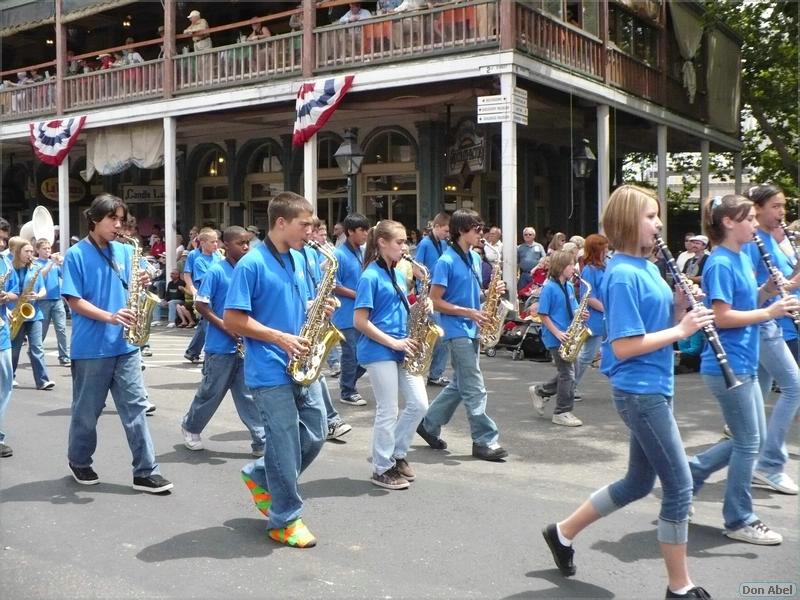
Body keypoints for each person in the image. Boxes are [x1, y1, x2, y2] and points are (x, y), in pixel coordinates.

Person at [541, 185, 714, 599]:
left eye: (657, 216)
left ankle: (561, 533)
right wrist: (682, 329)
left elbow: (658, 326)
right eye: (650, 216)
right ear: (625, 222)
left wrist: (679, 306)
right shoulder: (620, 274)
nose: (658, 224)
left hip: (657, 384)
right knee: (678, 486)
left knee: (638, 482)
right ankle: (679, 586)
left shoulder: (649, 267)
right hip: (640, 391)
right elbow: (623, 346)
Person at [688, 194, 798, 545]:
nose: (755, 224)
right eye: (748, 218)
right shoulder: (720, 262)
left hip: (744, 361)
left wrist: (768, 290)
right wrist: (771, 312)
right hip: (727, 364)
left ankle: (692, 472)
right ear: (728, 223)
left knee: (751, 439)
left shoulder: (738, 258)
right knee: (750, 441)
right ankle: (739, 518)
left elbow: (746, 301)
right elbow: (722, 316)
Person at [224, 191, 329, 549]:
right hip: (269, 369)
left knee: (316, 433)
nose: (311, 231)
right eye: (305, 224)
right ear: (281, 223)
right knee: (284, 446)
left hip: (302, 362)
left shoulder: (301, 258)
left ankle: (259, 473)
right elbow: (233, 319)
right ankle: (285, 519)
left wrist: (318, 307)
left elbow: (294, 303)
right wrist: (279, 337)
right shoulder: (251, 264)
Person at [61, 194, 172, 493]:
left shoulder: (125, 250)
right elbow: (74, 300)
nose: (118, 225)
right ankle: (79, 460)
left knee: (135, 408)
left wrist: (144, 280)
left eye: (121, 219)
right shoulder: (75, 254)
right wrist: (110, 316)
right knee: (87, 411)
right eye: (112, 219)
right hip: (91, 347)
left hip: (126, 346)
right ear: (94, 219)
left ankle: (145, 471)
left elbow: (132, 284)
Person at [416, 209, 508, 462]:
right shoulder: (446, 261)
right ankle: (484, 440)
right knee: (475, 387)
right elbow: (435, 301)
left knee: (460, 383)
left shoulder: (476, 260)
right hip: (456, 330)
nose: (482, 233)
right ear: (461, 231)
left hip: (472, 327)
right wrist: (468, 312)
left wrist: (490, 292)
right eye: (476, 229)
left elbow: (471, 295)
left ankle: (429, 424)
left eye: (482, 228)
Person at [354, 220, 429, 489]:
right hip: (379, 349)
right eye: (399, 242)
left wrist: (421, 305)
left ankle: (396, 454)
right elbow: (360, 321)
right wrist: (393, 343)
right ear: (382, 243)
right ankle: (382, 467)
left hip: (402, 345)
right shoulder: (369, 276)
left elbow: (395, 307)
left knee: (420, 404)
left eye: (405, 241)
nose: (404, 246)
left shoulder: (399, 272)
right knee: (388, 410)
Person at [181, 226, 266, 456]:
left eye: (248, 242)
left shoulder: (249, 270)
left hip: (245, 345)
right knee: (211, 391)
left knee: (248, 394)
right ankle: (191, 426)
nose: (246, 247)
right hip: (220, 345)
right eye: (241, 243)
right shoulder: (216, 272)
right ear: (225, 245)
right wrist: (226, 326)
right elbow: (201, 305)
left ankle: (261, 439)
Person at [742, 184, 800, 495]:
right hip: (763, 323)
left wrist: (791, 283)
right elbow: (750, 293)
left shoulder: (770, 239)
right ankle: (770, 464)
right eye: (775, 207)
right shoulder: (753, 242)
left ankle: (750, 461)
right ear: (757, 208)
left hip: (773, 320)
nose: (781, 213)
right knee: (795, 386)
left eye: (783, 207)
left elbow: (779, 285)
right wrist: (783, 289)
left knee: (760, 392)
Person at [301, 221, 351, 440]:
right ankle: (329, 420)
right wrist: (307, 304)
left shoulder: (313, 254)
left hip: (313, 322)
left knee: (315, 373)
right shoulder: (293, 256)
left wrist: (325, 303)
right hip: (297, 325)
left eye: (319, 232)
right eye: (313, 232)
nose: (317, 237)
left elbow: (320, 285)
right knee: (313, 375)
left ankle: (328, 420)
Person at [530, 250, 584, 426]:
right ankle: (562, 411)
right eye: (570, 265)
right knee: (567, 374)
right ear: (561, 267)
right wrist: (557, 333)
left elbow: (574, 307)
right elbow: (543, 315)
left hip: (568, 335)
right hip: (555, 337)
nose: (573, 268)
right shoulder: (549, 288)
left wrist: (581, 314)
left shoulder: (568, 286)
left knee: (568, 372)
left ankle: (541, 391)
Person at [332, 213, 371, 406]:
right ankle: (347, 391)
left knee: (364, 355)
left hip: (362, 314)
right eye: (362, 230)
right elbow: (333, 285)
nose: (365, 234)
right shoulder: (338, 254)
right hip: (345, 315)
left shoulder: (363, 251)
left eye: (366, 230)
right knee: (351, 355)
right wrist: (359, 295)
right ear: (350, 232)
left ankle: (348, 383)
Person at [8, 237, 55, 391]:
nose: (30, 254)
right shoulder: (10, 268)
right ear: (18, 252)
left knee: (37, 348)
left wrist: (39, 295)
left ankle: (42, 380)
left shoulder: (35, 268)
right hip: (16, 313)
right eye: (26, 251)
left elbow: (43, 288)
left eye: (31, 251)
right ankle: (10, 377)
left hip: (34, 313)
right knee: (15, 349)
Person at [414, 212, 451, 387]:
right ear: (435, 227)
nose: (447, 234)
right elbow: (416, 269)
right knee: (439, 336)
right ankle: (432, 373)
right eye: (445, 230)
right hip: (427, 294)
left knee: (440, 337)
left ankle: (434, 373)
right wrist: (426, 283)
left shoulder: (443, 243)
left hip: (438, 294)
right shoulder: (425, 244)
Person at [573, 234, 608, 390]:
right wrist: (608, 309)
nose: (607, 251)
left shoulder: (605, 267)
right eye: (604, 248)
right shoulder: (589, 270)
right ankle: (569, 386)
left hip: (604, 318)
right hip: (595, 319)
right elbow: (589, 297)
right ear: (597, 250)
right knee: (587, 355)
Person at [183, 228, 221, 362]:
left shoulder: (218, 256)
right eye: (212, 242)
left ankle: (193, 351)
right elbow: (189, 274)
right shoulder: (195, 256)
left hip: (217, 295)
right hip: (204, 294)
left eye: (217, 241)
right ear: (203, 243)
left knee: (205, 324)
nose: (216, 245)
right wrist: (193, 290)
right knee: (207, 324)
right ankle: (201, 353)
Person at [35, 238, 70, 366]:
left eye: (49, 248)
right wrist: (51, 263)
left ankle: (64, 357)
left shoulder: (55, 264)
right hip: (43, 301)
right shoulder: (35, 263)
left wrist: (63, 262)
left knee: (61, 329)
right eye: (44, 249)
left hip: (57, 300)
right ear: (37, 250)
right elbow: (41, 276)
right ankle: (35, 353)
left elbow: (65, 275)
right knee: (41, 331)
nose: (47, 251)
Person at [0, 254, 19, 457]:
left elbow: (16, 292)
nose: (2, 245)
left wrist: (7, 297)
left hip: (2, 335)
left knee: (4, 386)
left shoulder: (5, 263)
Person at [517, 226, 546, 291]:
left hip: (536, 274)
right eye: (525, 234)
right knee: (521, 292)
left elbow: (545, 259)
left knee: (534, 294)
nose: (527, 236)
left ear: (534, 236)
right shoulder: (519, 248)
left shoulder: (539, 246)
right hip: (524, 274)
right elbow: (516, 262)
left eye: (530, 234)